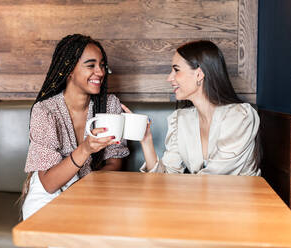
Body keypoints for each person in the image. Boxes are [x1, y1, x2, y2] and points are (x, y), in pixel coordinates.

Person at [19, 34, 129, 220]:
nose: (100, 72)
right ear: (69, 70)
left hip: (90, 190)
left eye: (102, 65)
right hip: (48, 196)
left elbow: (114, 161)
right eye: (91, 65)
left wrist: (87, 188)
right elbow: (49, 183)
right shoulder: (45, 111)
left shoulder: (109, 105)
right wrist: (85, 149)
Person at [122, 40, 260, 176]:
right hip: (199, 197)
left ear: (199, 74)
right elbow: (166, 177)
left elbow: (217, 178)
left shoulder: (239, 117)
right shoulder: (181, 119)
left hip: (239, 197)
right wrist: (146, 140)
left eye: (176, 70)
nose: (169, 78)